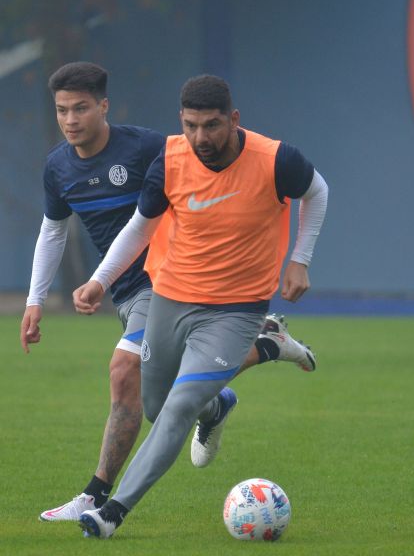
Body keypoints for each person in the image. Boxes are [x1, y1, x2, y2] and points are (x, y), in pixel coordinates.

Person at [19, 62, 317, 523]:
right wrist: (40, 298)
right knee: (161, 404)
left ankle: (100, 501)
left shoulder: (148, 147)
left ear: (104, 106)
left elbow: (208, 177)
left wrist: (292, 255)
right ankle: (253, 361)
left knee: (125, 373)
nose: (71, 119)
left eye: (80, 108)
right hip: (131, 289)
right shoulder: (59, 167)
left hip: (163, 283)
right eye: (62, 110)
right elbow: (54, 231)